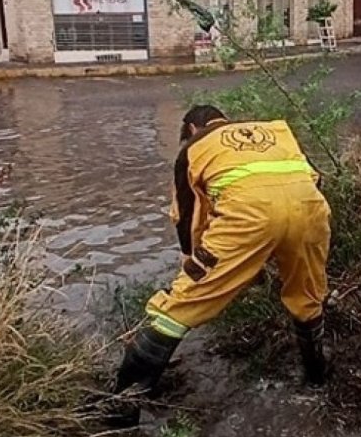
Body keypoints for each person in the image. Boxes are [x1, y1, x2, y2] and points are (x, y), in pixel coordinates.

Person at [113, 105, 332, 416]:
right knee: (308, 298)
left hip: (248, 218)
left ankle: (120, 409)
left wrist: (194, 260)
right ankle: (316, 382)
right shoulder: (278, 131)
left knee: (176, 309)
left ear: (190, 129)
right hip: (311, 211)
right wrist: (276, 245)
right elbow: (312, 181)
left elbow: (188, 217)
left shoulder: (194, 147)